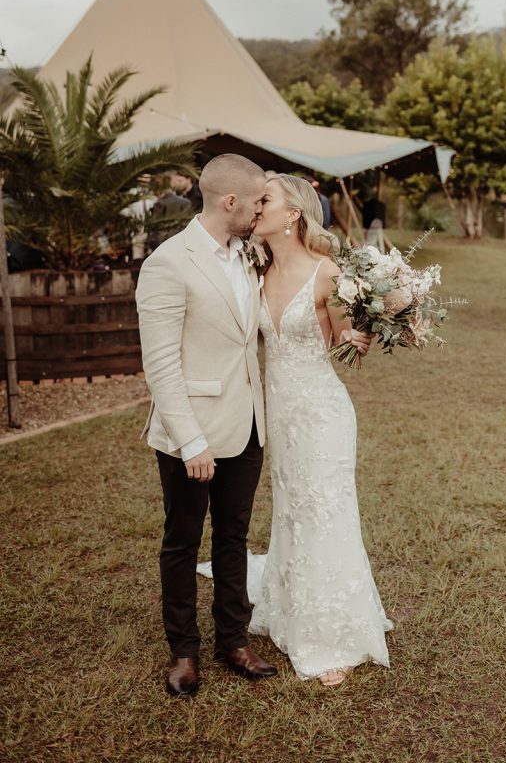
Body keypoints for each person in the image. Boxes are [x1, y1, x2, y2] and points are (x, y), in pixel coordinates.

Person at [135, 154, 277, 697]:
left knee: (235, 536)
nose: (265, 208)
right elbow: (161, 363)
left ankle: (233, 640)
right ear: (230, 201)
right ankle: (184, 650)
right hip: (189, 433)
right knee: (182, 538)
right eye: (260, 199)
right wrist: (191, 440)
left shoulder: (249, 254)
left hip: (246, 426)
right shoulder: (168, 263)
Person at [247, 174, 392, 686]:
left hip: (323, 412)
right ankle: (288, 605)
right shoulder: (254, 269)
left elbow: (340, 344)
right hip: (279, 416)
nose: (254, 206)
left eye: (265, 199)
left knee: (324, 509)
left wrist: (368, 329)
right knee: (291, 507)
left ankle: (331, 632)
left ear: (292, 215)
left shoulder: (328, 273)